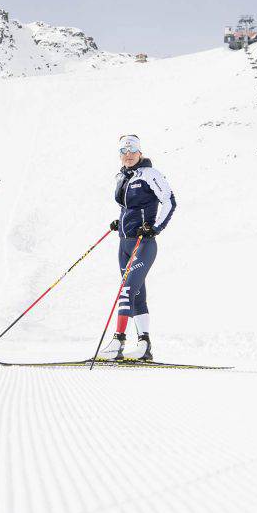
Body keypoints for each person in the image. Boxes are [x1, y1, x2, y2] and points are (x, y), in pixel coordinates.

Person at [99, 134, 177, 361]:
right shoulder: (122, 176)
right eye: (124, 151)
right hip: (124, 244)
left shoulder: (150, 175)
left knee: (126, 290)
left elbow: (170, 201)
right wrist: (120, 221)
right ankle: (144, 345)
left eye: (132, 150)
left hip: (143, 244)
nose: (128, 155)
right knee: (137, 294)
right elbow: (130, 208)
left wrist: (156, 228)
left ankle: (118, 341)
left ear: (140, 152)